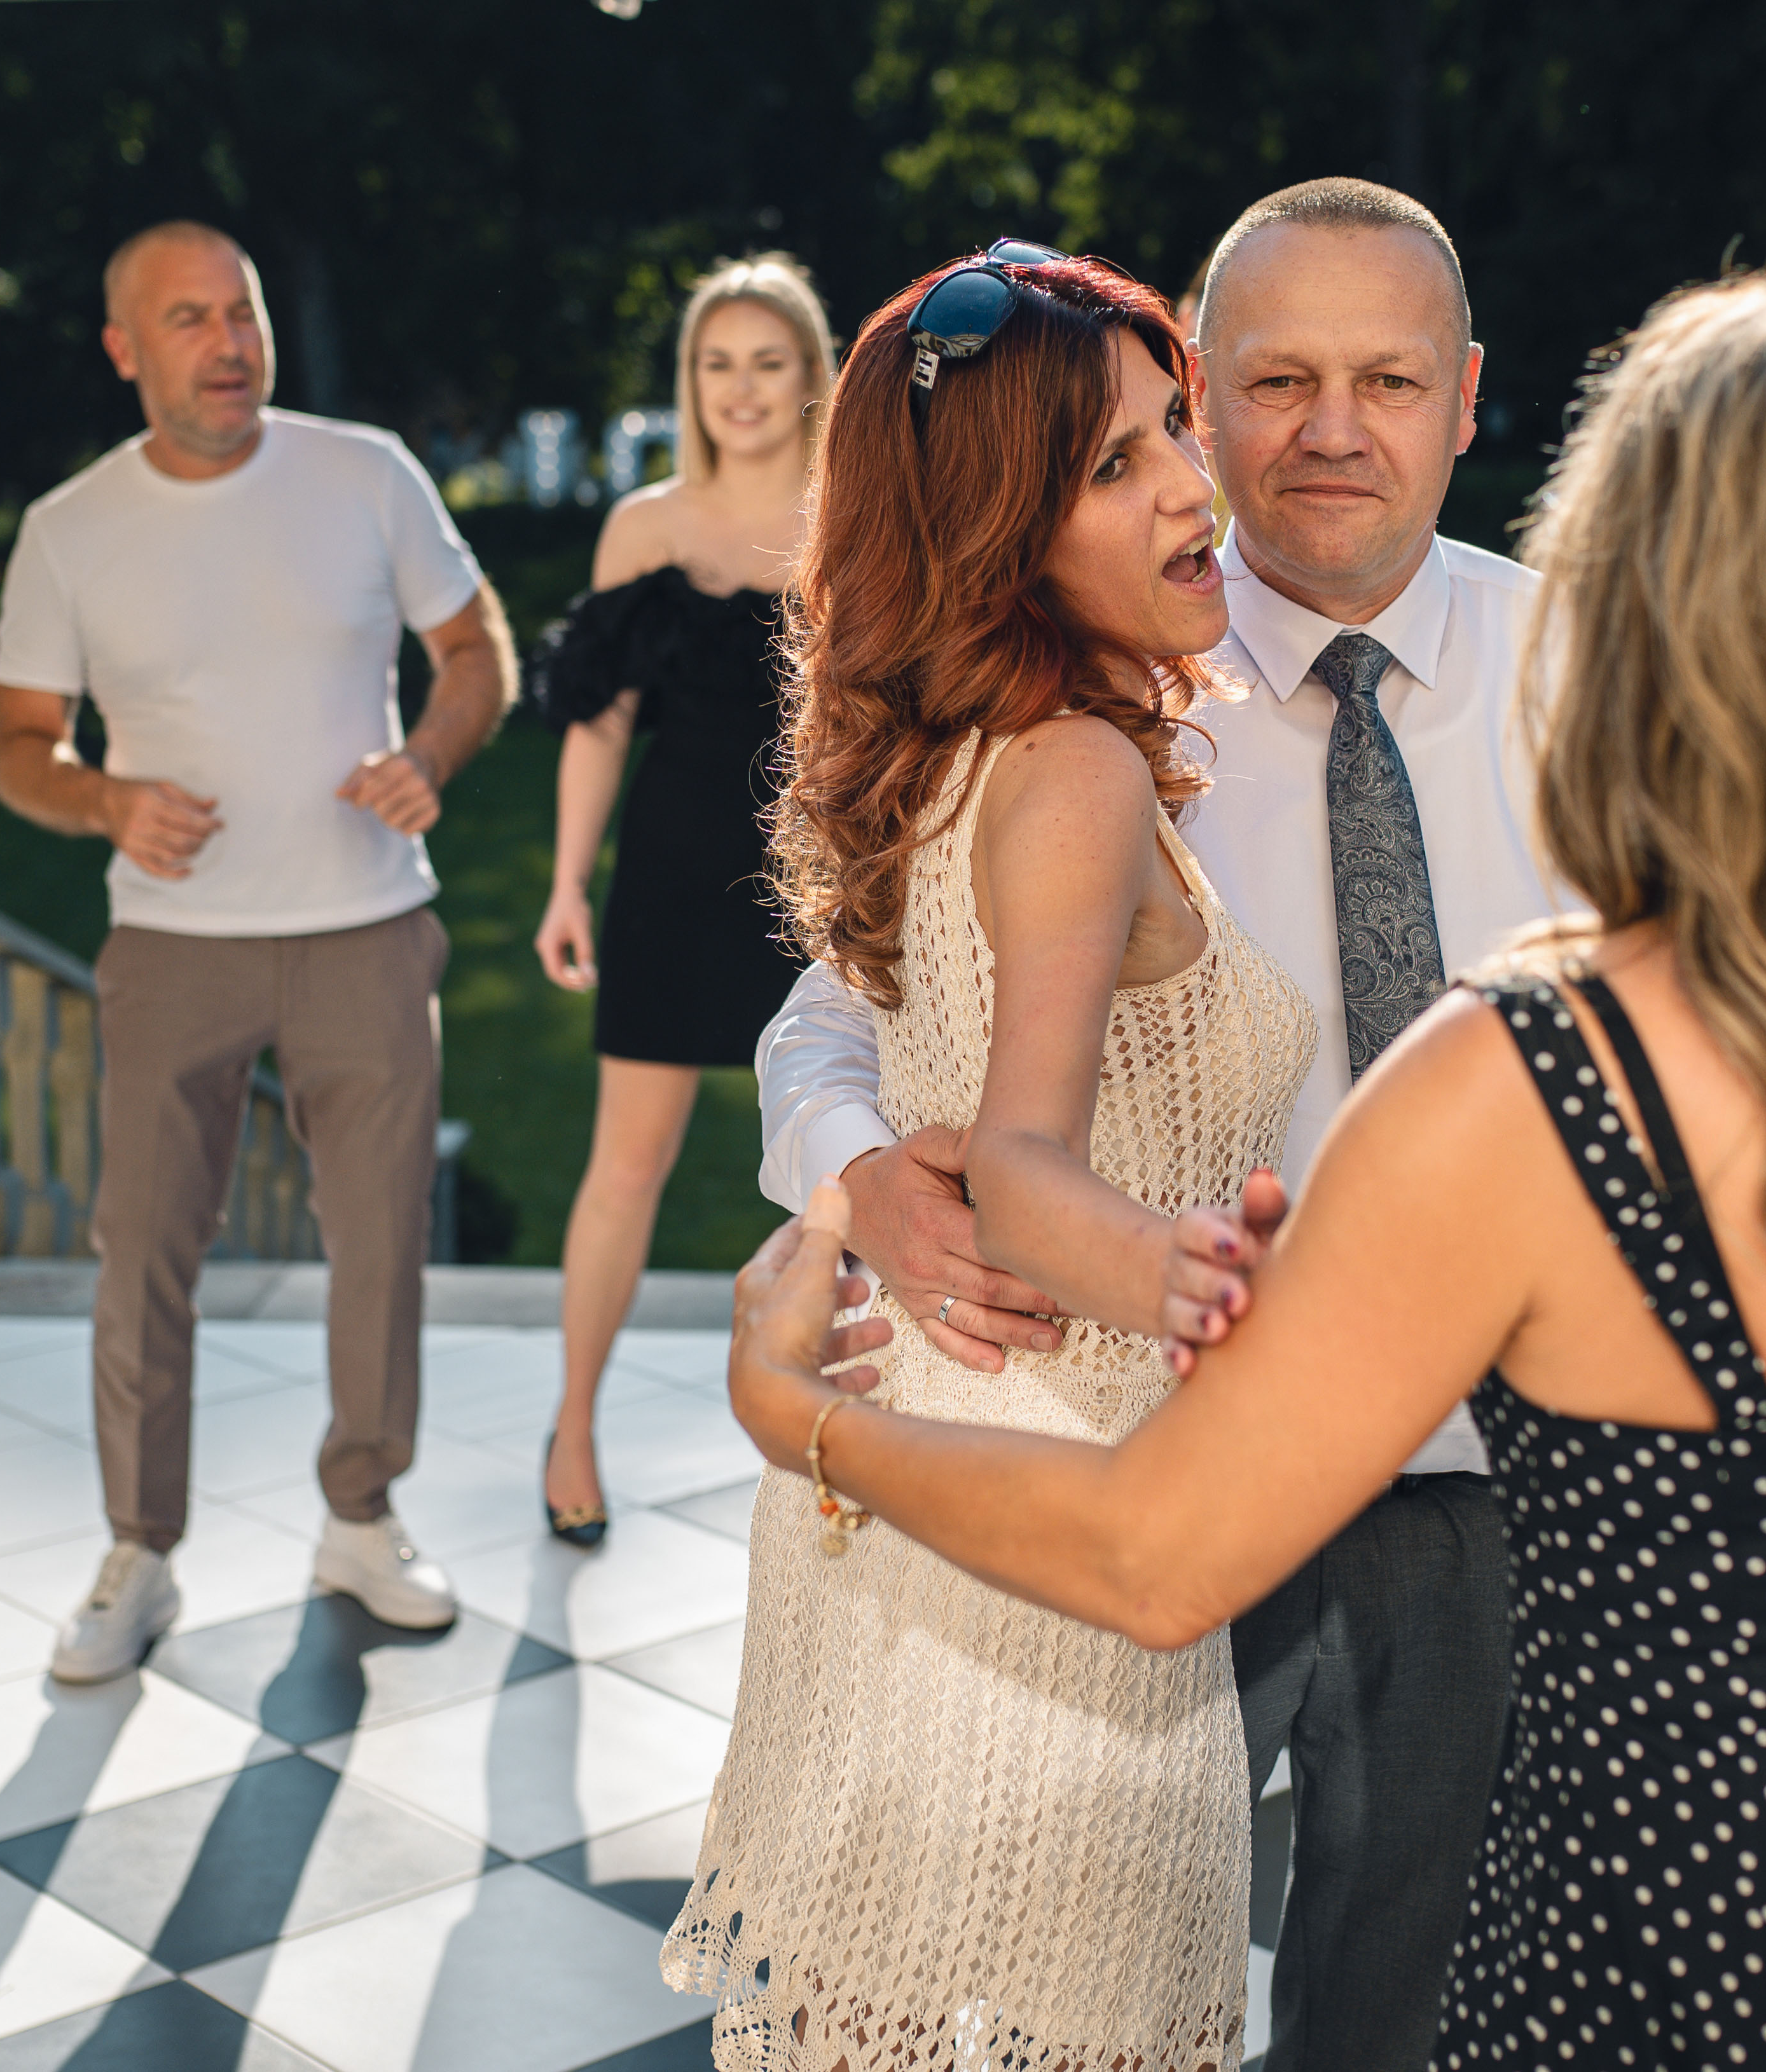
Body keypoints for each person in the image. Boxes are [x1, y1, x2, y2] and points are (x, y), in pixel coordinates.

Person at [727, 255, 1766, 2072]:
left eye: (1389, 380)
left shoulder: (1532, 1066)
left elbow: (1152, 1553)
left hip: (1682, 1947)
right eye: (1261, 388)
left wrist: (803, 1417)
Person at [754, 179, 1550, 2070]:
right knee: (1059, 1976)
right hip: (1149, 1453)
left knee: (1401, 1996)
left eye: (1388, 381)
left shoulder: (1592, 666)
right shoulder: (1103, 676)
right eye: (1272, 382)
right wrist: (868, 1181)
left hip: (1489, 1465)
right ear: (1206, 383)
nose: (1329, 432)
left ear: (1464, 397)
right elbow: (841, 1007)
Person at [661, 245, 1307, 2069]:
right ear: (998, 533)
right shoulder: (1077, 769)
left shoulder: (960, 755)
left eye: (1173, 425)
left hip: (918, 1481)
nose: (1189, 481)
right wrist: (1219, 1287)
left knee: (874, 2022)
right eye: (1114, 463)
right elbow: (1018, 1168)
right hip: (1056, 1506)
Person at [0, 221, 516, 1678]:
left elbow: (476, 649)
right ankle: (139, 1550)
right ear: (123, 349)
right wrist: (105, 801)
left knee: (381, 1241)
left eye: (244, 312)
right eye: (190, 320)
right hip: (173, 946)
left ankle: (363, 1515)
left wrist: (430, 755)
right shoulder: (69, 529)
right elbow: (17, 742)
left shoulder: (367, 474)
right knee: (144, 1252)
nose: (229, 344)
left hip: (365, 929)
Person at [528, 254, 833, 1547]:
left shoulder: (856, 510)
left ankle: (839, 1442)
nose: (741, 388)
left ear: (811, 375)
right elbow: (599, 723)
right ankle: (572, 1425)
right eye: (717, 364)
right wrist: (566, 882)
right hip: (665, 871)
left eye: (767, 362)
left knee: (840, 1174)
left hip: (821, 885)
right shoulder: (644, 529)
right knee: (625, 1166)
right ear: (689, 381)